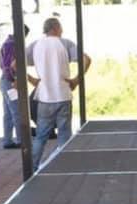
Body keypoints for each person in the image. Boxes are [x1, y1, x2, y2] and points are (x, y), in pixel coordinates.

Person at [25, 17, 91, 171]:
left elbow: (15, 65)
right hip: (63, 94)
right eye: (61, 28)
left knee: (40, 137)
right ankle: (63, 167)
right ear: (55, 28)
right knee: (64, 136)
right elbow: (87, 60)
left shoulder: (35, 45)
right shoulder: (65, 43)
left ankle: (32, 169)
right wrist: (76, 80)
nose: (62, 31)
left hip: (44, 97)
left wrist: (33, 80)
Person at [0, 25, 29, 149]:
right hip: (11, 82)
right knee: (17, 111)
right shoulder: (12, 45)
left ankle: (7, 140)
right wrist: (15, 79)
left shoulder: (7, 43)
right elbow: (9, 65)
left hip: (5, 81)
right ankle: (21, 140)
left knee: (8, 113)